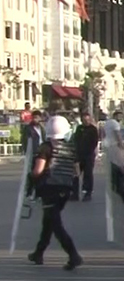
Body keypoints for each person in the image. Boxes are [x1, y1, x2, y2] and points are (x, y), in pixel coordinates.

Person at [27, 115, 82, 270]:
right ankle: (38, 252)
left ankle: (73, 255)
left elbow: (38, 170)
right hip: (65, 188)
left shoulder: (46, 147)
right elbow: (77, 171)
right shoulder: (70, 147)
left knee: (55, 224)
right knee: (49, 221)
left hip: (50, 188)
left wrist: (30, 177)